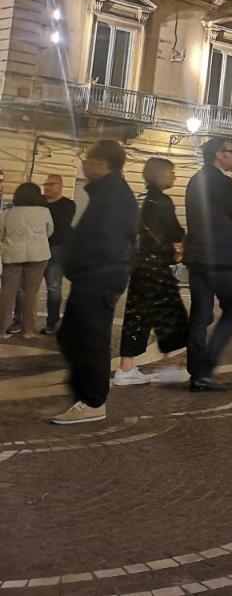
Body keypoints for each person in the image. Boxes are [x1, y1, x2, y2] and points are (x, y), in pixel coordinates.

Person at [52, 140, 138, 424]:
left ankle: (92, 401)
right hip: (93, 275)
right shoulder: (107, 192)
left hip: (99, 277)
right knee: (71, 336)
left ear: (101, 163)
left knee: (91, 339)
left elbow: (111, 240)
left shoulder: (113, 194)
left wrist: (108, 277)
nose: (84, 163)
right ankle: (84, 395)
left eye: (88, 159)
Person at [184, 138, 232, 392]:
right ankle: (206, 368)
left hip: (198, 257)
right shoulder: (226, 184)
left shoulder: (194, 182)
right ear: (219, 154)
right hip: (223, 258)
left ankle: (195, 373)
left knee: (200, 315)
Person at [114, 158, 190, 386]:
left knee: (138, 315)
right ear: (159, 174)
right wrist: (177, 250)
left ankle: (126, 368)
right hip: (156, 266)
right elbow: (174, 232)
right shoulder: (162, 201)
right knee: (172, 317)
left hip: (139, 266)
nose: (174, 176)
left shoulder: (142, 198)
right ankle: (172, 367)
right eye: (170, 172)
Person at [0, 182, 54, 339]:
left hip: (12, 256)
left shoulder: (7, 213)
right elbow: (49, 231)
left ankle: (2, 329)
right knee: (31, 293)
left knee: (8, 293)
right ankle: (28, 330)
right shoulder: (44, 212)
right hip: (38, 256)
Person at [40, 174, 76, 335]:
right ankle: (19, 320)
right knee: (24, 287)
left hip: (57, 249)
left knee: (53, 287)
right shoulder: (38, 202)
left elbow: (60, 226)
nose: (46, 187)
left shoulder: (68, 205)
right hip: (37, 248)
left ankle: (52, 322)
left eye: (51, 184)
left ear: (60, 186)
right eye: (45, 184)